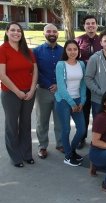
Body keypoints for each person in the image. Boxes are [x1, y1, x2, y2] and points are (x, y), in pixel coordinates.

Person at [0, 22, 38, 167]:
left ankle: (27, 153)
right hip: (10, 93)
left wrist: (33, 89)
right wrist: (17, 92)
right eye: (13, 30)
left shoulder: (27, 51)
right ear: (7, 32)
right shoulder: (3, 50)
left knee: (26, 123)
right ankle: (15, 156)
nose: (16, 33)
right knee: (11, 125)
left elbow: (35, 71)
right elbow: (2, 75)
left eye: (19, 31)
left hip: (29, 92)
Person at [33, 23, 64, 159]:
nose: (52, 33)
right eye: (49, 31)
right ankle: (42, 146)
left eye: (54, 31)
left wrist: (58, 84)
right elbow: (35, 71)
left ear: (58, 34)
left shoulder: (63, 51)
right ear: (44, 33)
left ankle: (60, 143)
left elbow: (66, 70)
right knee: (42, 120)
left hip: (60, 91)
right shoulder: (36, 51)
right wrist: (48, 83)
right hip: (43, 91)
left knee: (60, 120)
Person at [55, 40, 86, 167]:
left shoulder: (82, 64)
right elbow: (61, 88)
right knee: (66, 129)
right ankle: (68, 156)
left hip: (78, 100)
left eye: (75, 49)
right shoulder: (61, 65)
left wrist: (82, 101)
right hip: (63, 100)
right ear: (65, 51)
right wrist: (72, 103)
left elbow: (83, 84)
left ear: (78, 51)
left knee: (82, 129)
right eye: (69, 49)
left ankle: (71, 150)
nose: (72, 52)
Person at [75, 15, 102, 149]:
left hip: (98, 83)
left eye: (93, 23)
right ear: (84, 26)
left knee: (98, 112)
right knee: (83, 111)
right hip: (83, 83)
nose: (90, 25)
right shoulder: (78, 41)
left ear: (97, 25)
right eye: (87, 24)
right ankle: (82, 137)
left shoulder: (102, 40)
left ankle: (97, 139)